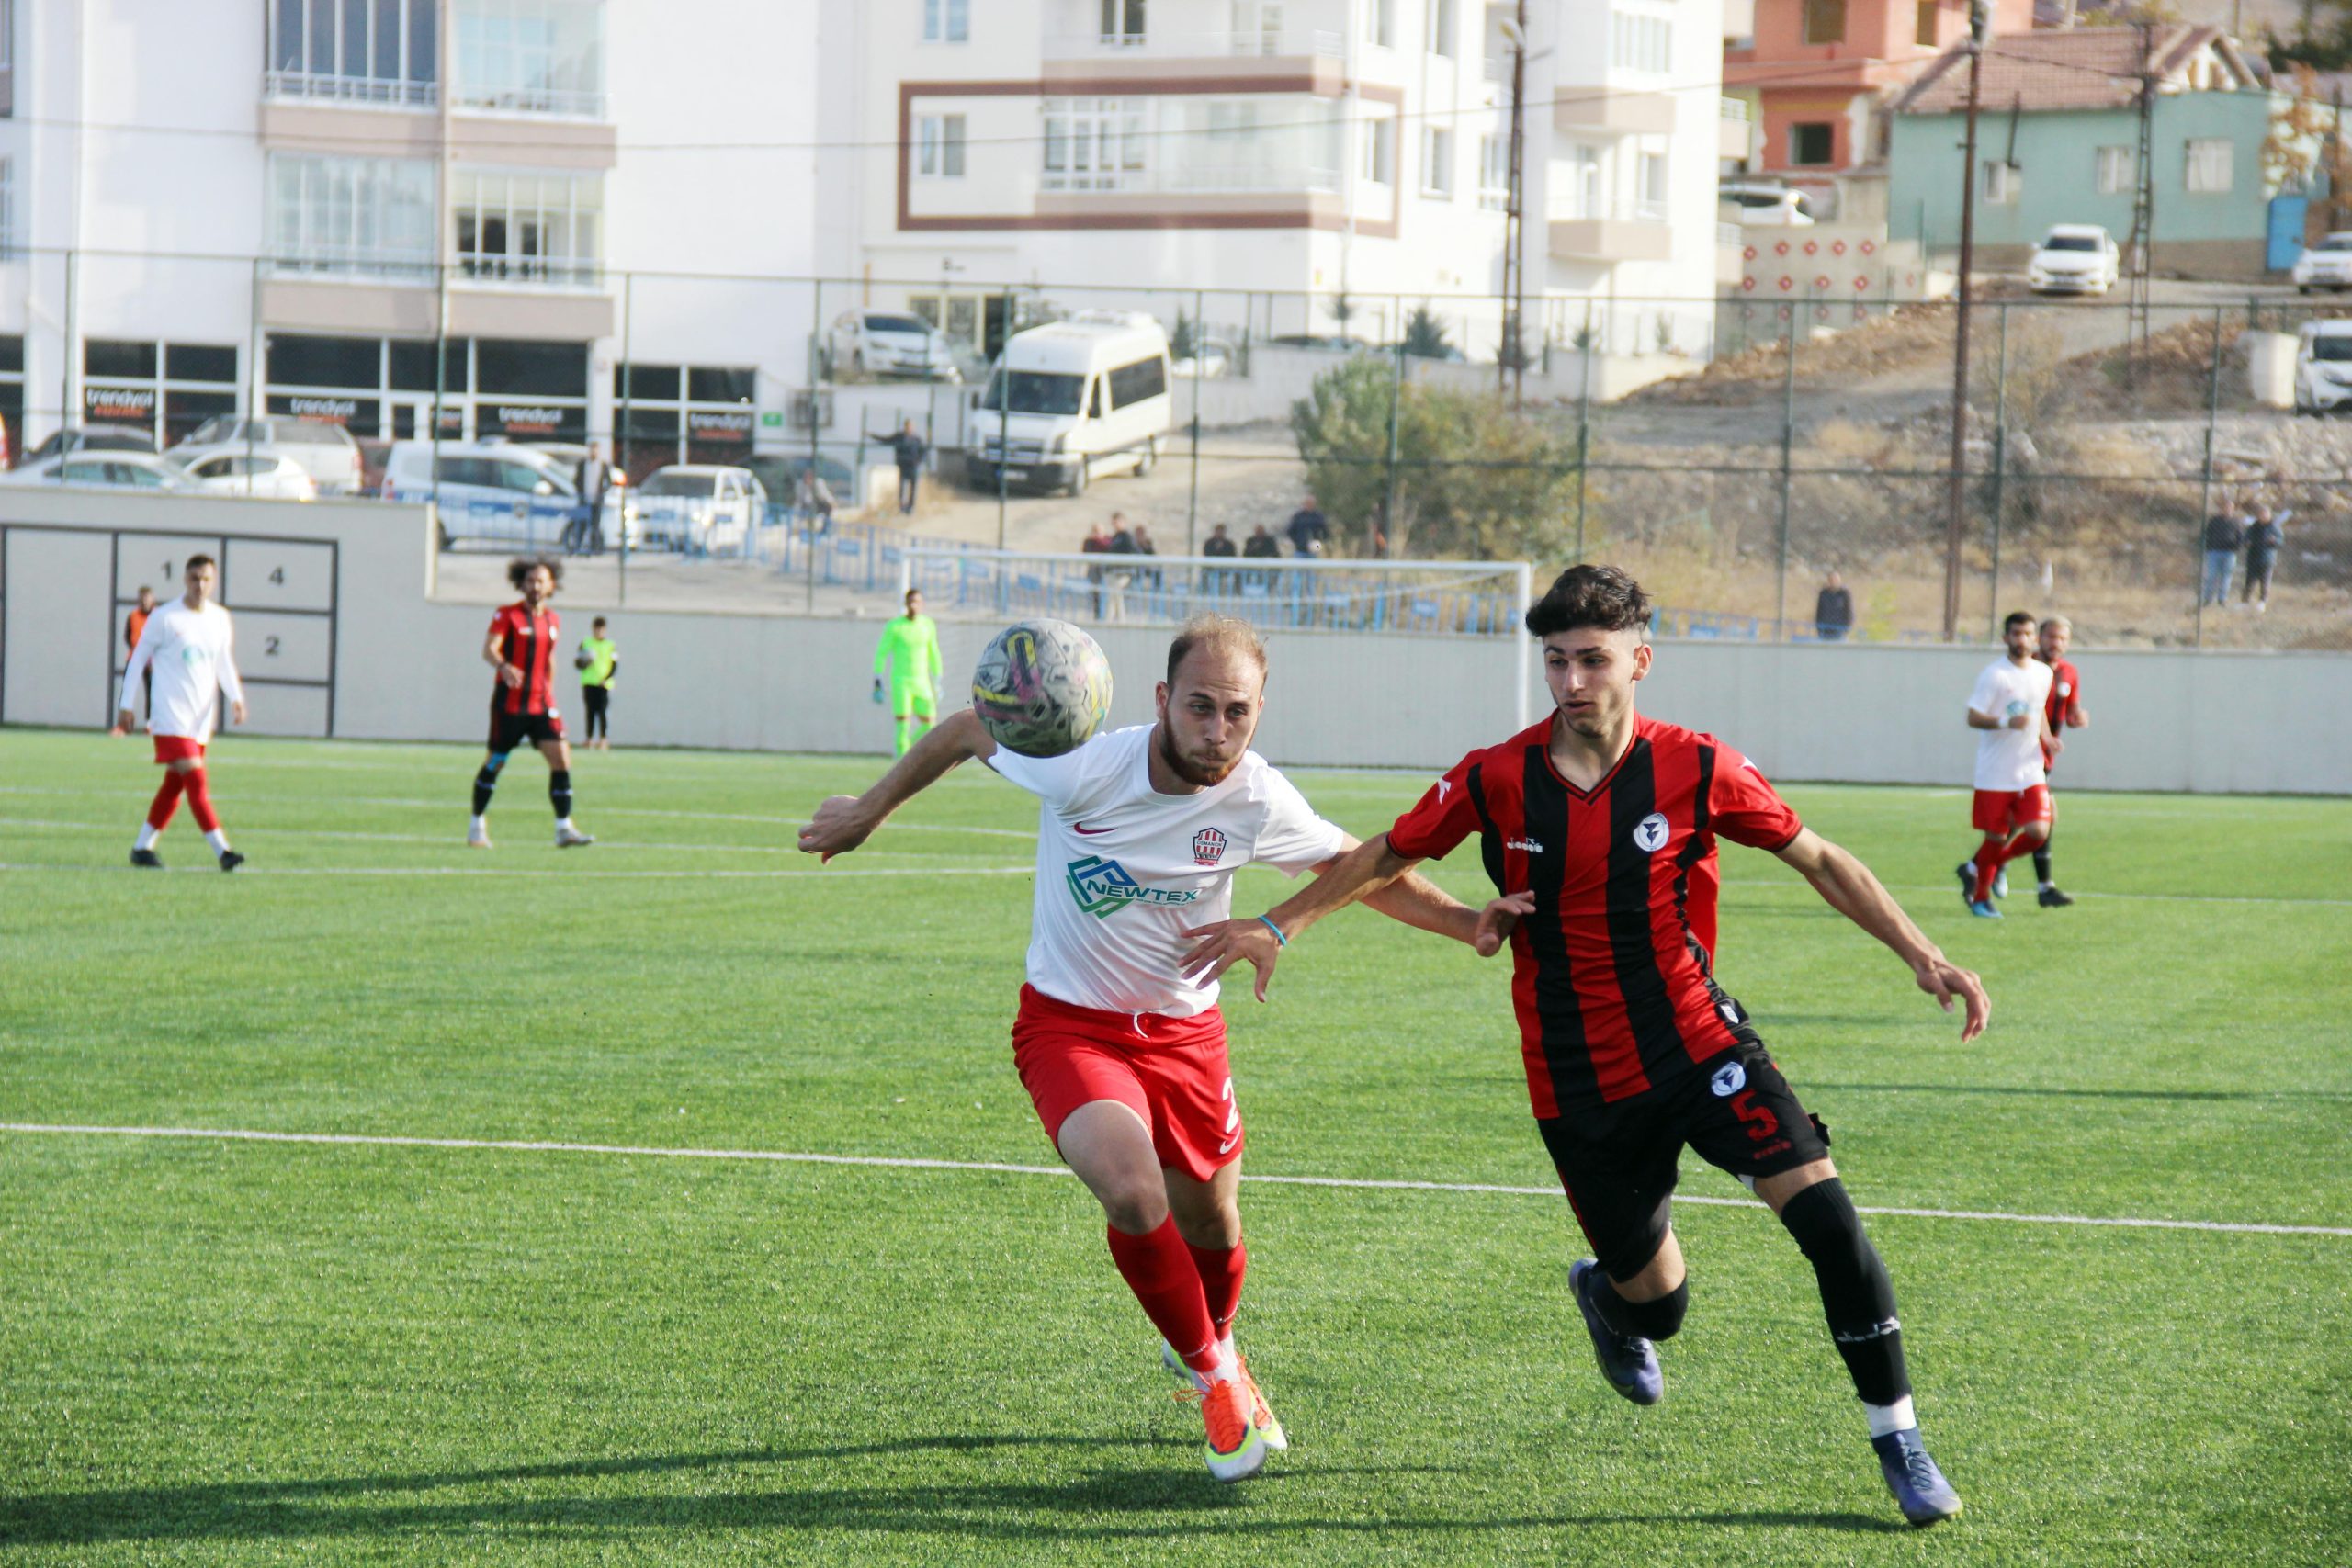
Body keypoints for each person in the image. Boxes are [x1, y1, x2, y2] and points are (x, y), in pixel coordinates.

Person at [1179, 564, 1985, 1529]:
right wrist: (1282, 922)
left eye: (1592, 660)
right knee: (1659, 1306)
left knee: (1828, 1221)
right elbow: (1386, 853)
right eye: (1556, 661)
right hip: (1578, 1079)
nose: (1571, 681)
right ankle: (1607, 1297)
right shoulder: (1498, 775)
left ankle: (1899, 1438)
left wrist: (1922, 953)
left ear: (1640, 661)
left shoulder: (1698, 766)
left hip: (1698, 1041)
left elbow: (1819, 858)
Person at [797, 616, 1501, 1484]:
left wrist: (1470, 924)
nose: (1217, 730)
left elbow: (1359, 867)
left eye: (1237, 712)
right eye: (1199, 706)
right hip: (1070, 1025)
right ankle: (1215, 1380)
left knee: (1213, 1220)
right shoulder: (1084, 766)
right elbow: (966, 729)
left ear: (1259, 711)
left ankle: (1217, 1342)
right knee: (1133, 1190)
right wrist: (866, 812)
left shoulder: (1257, 797)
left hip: (1186, 1036)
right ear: (1163, 699)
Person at [113, 557, 247, 872]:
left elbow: (222, 661)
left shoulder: (219, 618)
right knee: (197, 780)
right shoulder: (164, 617)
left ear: (214, 581)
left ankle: (142, 848)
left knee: (175, 785)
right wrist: (126, 705)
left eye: (206, 579)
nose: (200, 585)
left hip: (200, 719)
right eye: (194, 578)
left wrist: (236, 697)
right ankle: (223, 852)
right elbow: (137, 660)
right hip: (170, 717)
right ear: (185, 580)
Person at [469, 558, 594, 851]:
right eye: (530, 581)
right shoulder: (507, 615)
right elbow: (489, 649)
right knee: (496, 762)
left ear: (551, 585)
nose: (535, 586)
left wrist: (549, 693)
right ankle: (477, 825)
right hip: (510, 705)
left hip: (541, 705)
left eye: (541, 581)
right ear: (521, 584)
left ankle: (564, 828)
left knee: (561, 759)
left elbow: (549, 659)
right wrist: (503, 666)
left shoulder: (553, 620)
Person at [1957, 610, 2056, 919]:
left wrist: (2047, 737)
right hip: (1996, 773)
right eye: (2016, 634)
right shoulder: (1995, 675)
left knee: (2038, 831)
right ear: (2006, 638)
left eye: (2027, 634)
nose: (2022, 640)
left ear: (2035, 638)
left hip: (2030, 769)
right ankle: (1981, 899)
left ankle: (1995, 863)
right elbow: (1973, 716)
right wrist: (2004, 722)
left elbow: (2038, 710)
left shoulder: (2043, 673)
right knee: (1996, 837)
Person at [2030, 615, 2087, 908]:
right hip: (2024, 754)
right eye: (2052, 637)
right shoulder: (2026, 667)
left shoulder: (2069, 673)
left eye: (2062, 638)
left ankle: (1981, 868)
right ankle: (2044, 886)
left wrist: (2078, 718)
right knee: (2044, 815)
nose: (2057, 643)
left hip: (2046, 756)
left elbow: (2072, 711)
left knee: (2027, 820)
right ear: (2039, 638)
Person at [871, 587, 944, 758]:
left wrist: (938, 678)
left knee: (930, 724)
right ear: (905, 604)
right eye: (910, 602)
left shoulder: (927, 625)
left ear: (922, 604)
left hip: (922, 682)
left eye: (917, 602)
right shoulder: (895, 626)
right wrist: (877, 677)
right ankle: (901, 760)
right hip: (901, 681)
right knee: (903, 724)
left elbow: (934, 651)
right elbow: (881, 652)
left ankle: (909, 751)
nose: (913, 605)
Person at [574, 615, 618, 751]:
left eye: (601, 629)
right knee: (590, 711)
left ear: (605, 630)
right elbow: (578, 661)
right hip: (589, 682)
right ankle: (589, 739)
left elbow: (614, 665)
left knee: (603, 712)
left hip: (604, 684)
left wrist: (606, 678)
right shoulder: (586, 643)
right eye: (596, 629)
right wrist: (584, 661)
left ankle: (603, 739)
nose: (598, 632)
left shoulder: (610, 645)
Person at [568, 442, 616, 557]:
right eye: (591, 449)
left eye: (595, 450)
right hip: (584, 500)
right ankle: (578, 548)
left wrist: (602, 491)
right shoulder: (582, 464)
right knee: (582, 524)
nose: (593, 452)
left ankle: (595, 548)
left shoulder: (603, 465)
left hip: (597, 501)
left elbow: (608, 482)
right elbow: (576, 480)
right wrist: (580, 492)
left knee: (595, 525)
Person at [2242, 503, 2287, 612]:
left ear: (2270, 515)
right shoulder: (2253, 527)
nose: (2263, 516)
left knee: (2265, 582)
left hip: (2267, 559)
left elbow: (2281, 541)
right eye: (2261, 513)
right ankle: (2245, 602)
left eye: (2266, 513)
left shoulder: (2274, 527)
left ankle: (2262, 602)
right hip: (2253, 557)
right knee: (2249, 581)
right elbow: (2246, 538)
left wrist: (2274, 541)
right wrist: (2247, 542)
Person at [2200, 502, 2245, 606]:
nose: (2228, 510)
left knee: (2226, 577)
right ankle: (2208, 598)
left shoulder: (2236, 522)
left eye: (2230, 508)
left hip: (2230, 553)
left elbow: (2240, 537)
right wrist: (2208, 547)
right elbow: (2207, 534)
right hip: (2214, 552)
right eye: (2225, 508)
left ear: (2233, 510)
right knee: (2211, 575)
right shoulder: (2214, 521)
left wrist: (2237, 547)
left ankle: (2222, 599)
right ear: (2221, 509)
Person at [123, 585, 157, 724]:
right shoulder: (133, 616)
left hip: (152, 662)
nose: (144, 602)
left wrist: (152, 656)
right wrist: (137, 651)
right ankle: (124, 724)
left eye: (147, 599)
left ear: (152, 599)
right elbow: (127, 636)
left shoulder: (157, 616)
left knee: (152, 692)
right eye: (142, 599)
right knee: (128, 690)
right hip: (134, 659)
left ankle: (150, 723)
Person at [890, 421, 927, 513]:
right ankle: (902, 507)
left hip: (913, 466)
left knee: (913, 488)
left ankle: (911, 508)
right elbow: (886, 440)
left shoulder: (917, 439)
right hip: (903, 466)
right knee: (902, 487)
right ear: (905, 427)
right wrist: (871, 436)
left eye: (911, 426)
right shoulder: (900, 437)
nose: (909, 428)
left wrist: (918, 461)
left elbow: (923, 451)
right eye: (907, 426)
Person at [797, 466, 838, 535]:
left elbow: (825, 494)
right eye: (805, 478)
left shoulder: (819, 483)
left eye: (808, 478)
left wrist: (832, 502)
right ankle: (808, 529)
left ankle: (825, 529)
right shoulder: (803, 485)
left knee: (828, 508)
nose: (806, 480)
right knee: (807, 511)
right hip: (809, 505)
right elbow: (805, 499)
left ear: (812, 478)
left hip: (820, 503)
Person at [1814, 570, 1853, 642]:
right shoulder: (1823, 594)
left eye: (1836, 580)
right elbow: (1819, 611)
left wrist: (1847, 628)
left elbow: (1849, 612)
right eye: (1831, 580)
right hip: (1825, 630)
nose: (1834, 582)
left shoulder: (1845, 594)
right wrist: (1819, 627)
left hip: (1839, 631)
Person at [1240, 522, 1281, 592]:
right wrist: (1254, 548)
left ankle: (1268, 590)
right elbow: (1245, 554)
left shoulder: (1270, 540)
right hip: (1252, 565)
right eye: (1257, 530)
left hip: (1267, 566)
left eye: (1261, 530)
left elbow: (1276, 554)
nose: (1259, 532)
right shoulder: (1250, 540)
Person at [1285, 495, 1329, 559]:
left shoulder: (1319, 517)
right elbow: (1290, 531)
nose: (1309, 505)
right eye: (1307, 503)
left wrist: (1319, 543)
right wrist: (1298, 542)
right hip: (1300, 550)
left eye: (1311, 503)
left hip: (1315, 550)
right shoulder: (1298, 517)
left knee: (1313, 565)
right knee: (1298, 565)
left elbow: (1325, 532)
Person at [1201, 524, 1237, 596]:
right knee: (1204, 573)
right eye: (1218, 531)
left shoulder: (1229, 544)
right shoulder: (1209, 542)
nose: (1219, 533)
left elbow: (1232, 555)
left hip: (1225, 568)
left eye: (1221, 531)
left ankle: (1233, 593)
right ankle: (1205, 593)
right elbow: (1206, 554)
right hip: (1210, 567)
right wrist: (1216, 550)